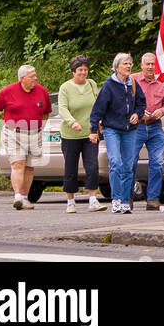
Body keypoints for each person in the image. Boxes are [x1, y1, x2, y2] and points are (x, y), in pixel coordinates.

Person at [0, 64, 52, 210]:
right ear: (22, 78)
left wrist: (42, 127)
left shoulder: (42, 91)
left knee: (29, 167)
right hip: (13, 133)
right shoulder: (8, 91)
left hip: (34, 134)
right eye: (32, 76)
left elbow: (47, 111)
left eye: (35, 75)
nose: (35, 78)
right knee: (18, 163)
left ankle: (24, 197)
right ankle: (17, 196)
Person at [89, 53, 145, 214]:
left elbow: (141, 103)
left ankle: (126, 200)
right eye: (125, 64)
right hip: (111, 129)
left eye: (130, 64)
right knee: (116, 163)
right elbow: (97, 110)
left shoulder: (133, 83)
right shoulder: (109, 85)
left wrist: (137, 114)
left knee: (128, 166)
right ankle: (116, 199)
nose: (128, 66)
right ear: (117, 67)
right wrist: (93, 130)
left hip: (130, 130)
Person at [58, 55, 105, 212]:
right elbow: (63, 108)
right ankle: (70, 201)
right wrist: (72, 122)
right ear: (73, 72)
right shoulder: (65, 88)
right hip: (70, 135)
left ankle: (93, 199)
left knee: (92, 166)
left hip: (90, 133)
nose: (83, 73)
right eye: (80, 70)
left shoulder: (92, 84)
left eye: (85, 70)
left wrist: (99, 123)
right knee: (70, 168)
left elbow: (98, 105)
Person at [129, 52, 164, 212]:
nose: (150, 67)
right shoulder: (132, 80)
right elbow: (125, 100)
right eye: (147, 64)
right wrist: (139, 112)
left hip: (155, 127)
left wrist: (162, 111)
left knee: (157, 163)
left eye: (152, 64)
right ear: (141, 65)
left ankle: (153, 200)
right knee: (131, 161)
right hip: (137, 126)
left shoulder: (163, 83)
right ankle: (128, 197)